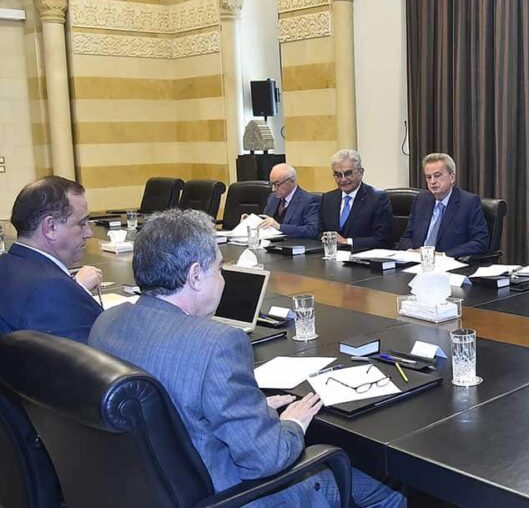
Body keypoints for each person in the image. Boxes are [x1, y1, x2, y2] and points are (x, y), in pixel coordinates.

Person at [88, 209, 405, 508]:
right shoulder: (216, 343)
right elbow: (266, 459)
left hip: (142, 492)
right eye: (219, 268)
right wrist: (292, 423)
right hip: (229, 495)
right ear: (195, 276)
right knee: (385, 492)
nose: (223, 279)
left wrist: (250, 408)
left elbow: (172, 404)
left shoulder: (107, 322)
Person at [0, 176, 103, 341]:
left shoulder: (6, 265)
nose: (89, 233)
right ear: (50, 227)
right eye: (81, 223)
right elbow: (92, 353)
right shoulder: (53, 290)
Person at [398, 153, 489, 258]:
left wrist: (444, 255)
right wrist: (411, 251)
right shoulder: (421, 200)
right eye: (428, 177)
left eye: (437, 176)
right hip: (417, 262)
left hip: (449, 263)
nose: (432, 181)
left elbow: (480, 242)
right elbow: (407, 237)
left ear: (452, 177)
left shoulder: (468, 203)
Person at [319, 150, 393, 250]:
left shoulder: (377, 198)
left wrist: (347, 242)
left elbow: (383, 239)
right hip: (331, 255)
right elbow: (319, 232)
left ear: (361, 172)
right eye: (338, 175)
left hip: (362, 256)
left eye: (348, 173)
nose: (343, 180)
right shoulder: (328, 198)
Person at [258, 163, 321, 239]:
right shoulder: (273, 197)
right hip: (271, 243)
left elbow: (311, 230)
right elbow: (266, 221)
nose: (273, 189)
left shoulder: (308, 201)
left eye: (277, 184)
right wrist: (251, 221)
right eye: (271, 184)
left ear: (291, 182)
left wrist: (280, 227)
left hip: (294, 244)